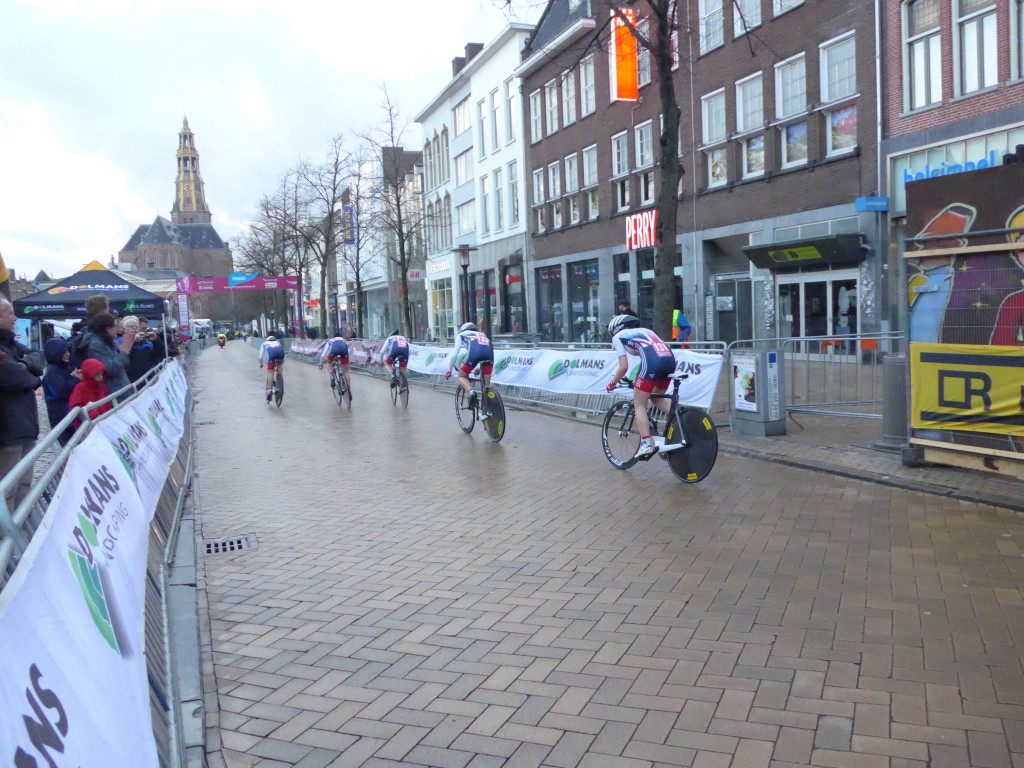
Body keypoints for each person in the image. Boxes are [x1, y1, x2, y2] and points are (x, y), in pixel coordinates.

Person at [604, 314, 677, 459]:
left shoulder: (617, 337)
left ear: (615, 329)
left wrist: (612, 383)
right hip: (670, 360)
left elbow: (623, 366)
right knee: (657, 399)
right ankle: (682, 418)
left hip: (653, 363)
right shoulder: (647, 331)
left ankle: (645, 444)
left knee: (639, 404)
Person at [0, 298, 44, 510]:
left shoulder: (10, 343)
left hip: (25, 425)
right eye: (10, 313)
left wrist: (23, 365)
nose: (15, 318)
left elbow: (38, 357)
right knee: (7, 488)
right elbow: (17, 379)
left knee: (24, 484)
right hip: (7, 432)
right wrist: (32, 376)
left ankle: (21, 533)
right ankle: (5, 538)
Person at [78, 312, 134, 396]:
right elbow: (110, 369)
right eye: (115, 326)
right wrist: (124, 352)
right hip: (113, 394)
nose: (118, 329)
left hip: (118, 392)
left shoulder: (105, 342)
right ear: (107, 328)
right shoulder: (96, 345)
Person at [443, 322, 493, 410]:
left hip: (474, 354)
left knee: (461, 376)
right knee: (486, 385)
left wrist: (449, 370)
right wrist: (479, 368)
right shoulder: (482, 335)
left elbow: (455, 354)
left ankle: (471, 391)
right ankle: (489, 409)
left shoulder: (461, 335)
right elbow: (483, 349)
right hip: (489, 353)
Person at [42, 338, 82, 447]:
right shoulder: (52, 371)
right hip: (62, 418)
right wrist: (76, 379)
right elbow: (62, 392)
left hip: (71, 417)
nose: (67, 354)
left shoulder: (65, 367)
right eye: (64, 352)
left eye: (68, 351)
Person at [69, 358, 113, 428]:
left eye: (101, 374)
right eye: (97, 374)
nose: (100, 377)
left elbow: (107, 403)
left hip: (103, 422)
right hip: (88, 426)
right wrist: (91, 413)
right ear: (89, 374)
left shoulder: (101, 385)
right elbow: (75, 407)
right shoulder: (80, 388)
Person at [126, 317, 166, 383]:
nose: (144, 330)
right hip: (133, 378)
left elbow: (159, 354)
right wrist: (134, 340)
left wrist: (156, 340)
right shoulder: (125, 341)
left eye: (146, 328)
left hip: (147, 375)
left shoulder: (148, 342)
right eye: (142, 328)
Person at [318, 332, 352, 399]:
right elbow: (346, 351)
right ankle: (349, 390)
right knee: (345, 372)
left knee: (328, 363)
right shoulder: (343, 340)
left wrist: (321, 363)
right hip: (344, 352)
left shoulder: (330, 341)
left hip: (334, 351)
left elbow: (323, 354)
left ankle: (332, 375)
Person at [258, 334, 285, 402]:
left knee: (270, 372)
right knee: (280, 364)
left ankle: (269, 389)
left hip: (271, 356)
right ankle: (280, 376)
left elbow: (260, 357)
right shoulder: (277, 342)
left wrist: (261, 364)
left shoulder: (264, 343)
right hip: (281, 354)